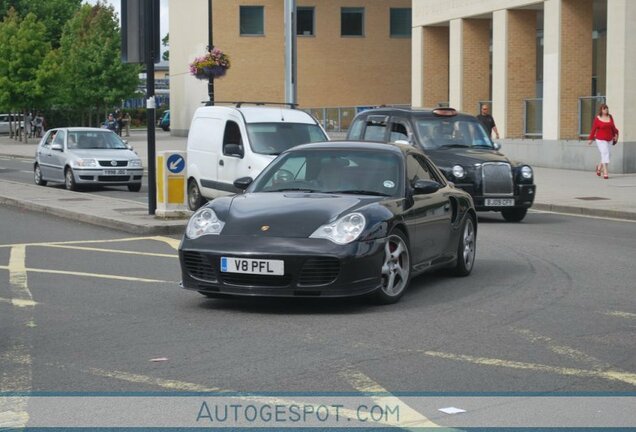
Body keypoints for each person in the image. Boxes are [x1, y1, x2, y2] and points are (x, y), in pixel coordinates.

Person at [588, 104, 619, 179]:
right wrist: (591, 139)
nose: (606, 110)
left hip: (610, 139)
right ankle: (605, 171)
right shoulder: (597, 118)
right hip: (600, 139)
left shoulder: (610, 117)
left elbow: (613, 127)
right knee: (605, 153)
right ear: (601, 110)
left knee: (608, 154)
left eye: (607, 109)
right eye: (604, 109)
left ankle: (599, 167)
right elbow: (593, 129)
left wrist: (616, 134)